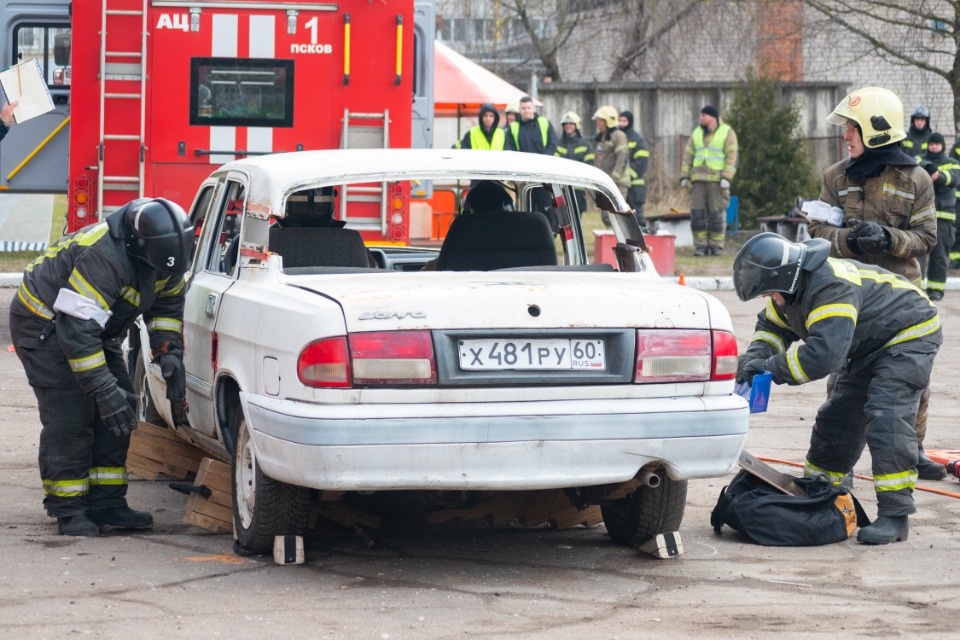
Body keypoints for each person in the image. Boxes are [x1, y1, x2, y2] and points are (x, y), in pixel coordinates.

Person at [733, 233, 942, 544]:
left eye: (772, 293)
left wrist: (771, 368)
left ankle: (895, 516)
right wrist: (755, 357)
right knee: (838, 418)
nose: (772, 299)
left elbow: (823, 357)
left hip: (908, 335)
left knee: (886, 416)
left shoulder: (830, 288)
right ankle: (822, 490)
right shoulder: (789, 290)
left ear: (787, 279)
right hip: (867, 344)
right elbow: (772, 328)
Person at [9, 198, 193, 536]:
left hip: (96, 328)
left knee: (121, 407)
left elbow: (166, 306)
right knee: (72, 413)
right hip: (46, 325)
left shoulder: (168, 256)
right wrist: (101, 388)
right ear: (139, 248)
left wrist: (168, 351)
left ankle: (107, 503)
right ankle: (68, 509)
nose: (164, 274)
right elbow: (76, 330)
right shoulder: (105, 257)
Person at [805, 86, 944, 480]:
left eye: (851, 128)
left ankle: (913, 451)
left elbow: (927, 238)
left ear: (876, 130)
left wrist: (888, 239)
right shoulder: (836, 177)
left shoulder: (916, 179)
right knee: (842, 378)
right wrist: (848, 240)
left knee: (913, 378)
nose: (845, 135)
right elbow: (817, 231)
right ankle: (835, 461)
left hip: (902, 299)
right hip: (850, 295)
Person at [680, 105, 738, 256]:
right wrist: (684, 176)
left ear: (713, 117)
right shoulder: (697, 133)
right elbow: (688, 156)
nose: (701, 118)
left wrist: (727, 177)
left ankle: (716, 246)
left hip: (717, 180)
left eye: (704, 116)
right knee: (697, 214)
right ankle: (700, 246)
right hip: (698, 179)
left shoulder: (727, 132)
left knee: (716, 214)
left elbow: (732, 156)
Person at [919, 132, 960, 300]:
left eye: (937, 144)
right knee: (917, 255)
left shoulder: (952, 163)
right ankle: (917, 288)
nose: (934, 147)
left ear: (943, 146)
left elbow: (953, 179)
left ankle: (936, 291)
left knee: (939, 257)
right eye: (932, 144)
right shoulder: (918, 161)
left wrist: (938, 176)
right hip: (921, 217)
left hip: (944, 217)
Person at [592, 105, 630, 227]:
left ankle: (620, 239)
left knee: (617, 213)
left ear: (608, 121)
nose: (598, 123)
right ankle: (611, 237)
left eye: (601, 120)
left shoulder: (618, 135)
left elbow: (622, 157)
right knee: (606, 215)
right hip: (605, 182)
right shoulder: (602, 137)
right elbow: (599, 159)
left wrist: (615, 177)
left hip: (618, 183)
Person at [555, 110, 593, 213]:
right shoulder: (559, 144)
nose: (568, 126)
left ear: (576, 125)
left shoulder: (585, 144)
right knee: (563, 217)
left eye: (571, 124)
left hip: (578, 188)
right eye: (565, 124)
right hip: (562, 187)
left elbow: (589, 165)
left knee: (576, 216)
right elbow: (554, 164)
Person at [618, 110, 650, 228]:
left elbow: (641, 163)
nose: (621, 123)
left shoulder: (638, 140)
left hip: (634, 186)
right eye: (620, 121)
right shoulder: (617, 138)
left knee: (637, 216)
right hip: (620, 184)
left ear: (630, 122)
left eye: (624, 121)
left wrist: (626, 175)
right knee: (620, 215)